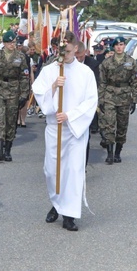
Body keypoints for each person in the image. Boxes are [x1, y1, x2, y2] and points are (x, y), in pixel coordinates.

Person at [32, 31, 97, 232]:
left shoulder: (86, 73)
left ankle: (70, 215)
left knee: (73, 172)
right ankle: (57, 203)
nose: (64, 54)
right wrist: (53, 86)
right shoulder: (50, 70)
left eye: (68, 50)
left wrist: (70, 115)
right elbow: (38, 92)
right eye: (61, 50)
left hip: (74, 130)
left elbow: (91, 101)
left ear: (76, 48)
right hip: (54, 128)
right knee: (52, 171)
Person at [0, 30, 30, 162]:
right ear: (4, 43)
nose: (12, 44)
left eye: (14, 42)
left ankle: (8, 150)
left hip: (13, 91)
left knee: (10, 121)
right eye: (10, 42)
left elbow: (24, 77)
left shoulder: (20, 57)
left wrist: (24, 95)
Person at [98, 36, 137, 165]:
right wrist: (101, 99)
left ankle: (117, 153)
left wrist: (134, 99)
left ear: (124, 46)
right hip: (110, 95)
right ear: (113, 47)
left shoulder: (131, 62)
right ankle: (109, 154)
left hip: (125, 97)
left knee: (122, 126)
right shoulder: (106, 63)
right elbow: (102, 82)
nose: (119, 47)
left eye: (121, 44)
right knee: (109, 124)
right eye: (116, 45)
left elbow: (135, 82)